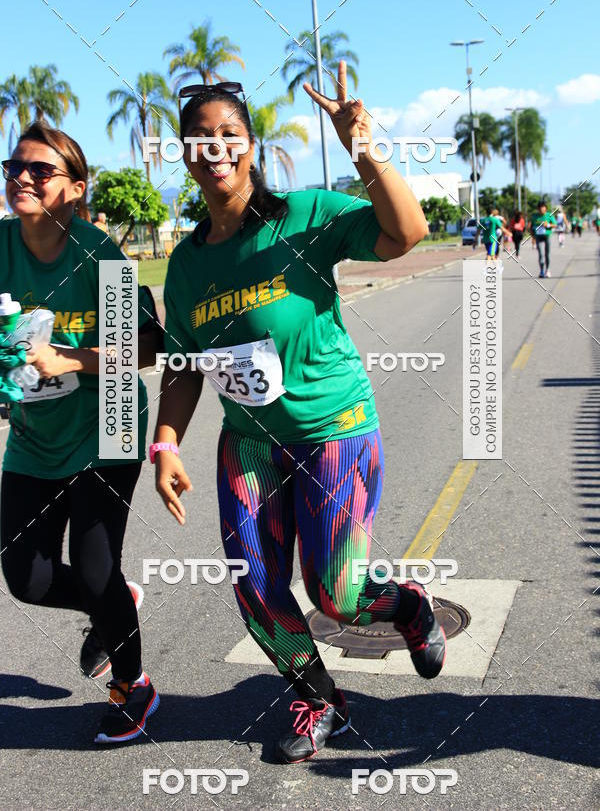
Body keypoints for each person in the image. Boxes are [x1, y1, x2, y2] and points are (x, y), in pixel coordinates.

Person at [153, 64, 447, 763]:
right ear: (186, 154)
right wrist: (165, 444)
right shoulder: (187, 263)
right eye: (199, 137)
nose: (215, 146)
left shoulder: (307, 217)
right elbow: (182, 364)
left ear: (250, 146)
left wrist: (363, 147)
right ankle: (319, 700)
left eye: (229, 133)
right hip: (248, 442)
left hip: (334, 432)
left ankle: (405, 607)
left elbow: (408, 234)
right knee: (255, 584)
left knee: (338, 594)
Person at [0, 122, 162, 744]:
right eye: (14, 167)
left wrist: (69, 359)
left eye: (40, 170)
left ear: (74, 187)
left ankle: (134, 686)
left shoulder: (99, 254)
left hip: (110, 421)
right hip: (36, 435)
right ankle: (115, 603)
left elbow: (145, 348)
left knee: (96, 570)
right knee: (27, 578)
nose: (23, 178)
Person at [530, 201, 556, 277]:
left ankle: (547, 270)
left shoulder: (549, 215)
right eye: (540, 208)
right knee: (541, 254)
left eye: (543, 208)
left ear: (545, 208)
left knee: (547, 254)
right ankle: (541, 271)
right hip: (538, 236)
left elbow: (555, 225)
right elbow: (531, 226)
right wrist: (532, 234)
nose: (542, 210)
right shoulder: (535, 216)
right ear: (538, 209)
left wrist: (547, 225)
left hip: (547, 236)